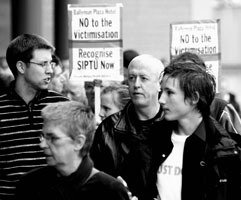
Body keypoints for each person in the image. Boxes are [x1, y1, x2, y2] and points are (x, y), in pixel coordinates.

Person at [149, 61, 241, 200]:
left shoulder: (226, 150)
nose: (161, 100)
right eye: (162, 92)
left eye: (170, 93)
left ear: (194, 98)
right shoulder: (151, 138)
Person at [0, 33, 69, 199]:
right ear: (21, 67)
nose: (50, 70)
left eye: (51, 63)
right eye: (43, 64)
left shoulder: (62, 105)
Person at [16, 101, 130, 200]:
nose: (42, 144)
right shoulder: (30, 184)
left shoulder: (109, 190)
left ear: (78, 142)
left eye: (52, 138)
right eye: (43, 136)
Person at [90, 54, 165, 200]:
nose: (136, 84)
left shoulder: (174, 125)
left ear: (160, 83)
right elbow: (96, 180)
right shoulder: (108, 128)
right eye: (131, 78)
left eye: (143, 78)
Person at [170, 51, 241, 135]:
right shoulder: (169, 109)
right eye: (179, 74)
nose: (185, 80)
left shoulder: (220, 108)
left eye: (190, 73)